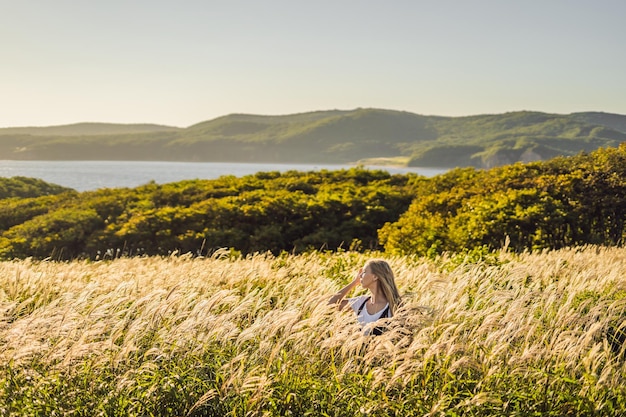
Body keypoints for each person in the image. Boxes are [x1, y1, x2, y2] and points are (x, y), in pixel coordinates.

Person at [328, 259, 402, 335]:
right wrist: (354, 282)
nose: (360, 275)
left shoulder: (394, 306)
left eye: (364, 272)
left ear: (375, 277)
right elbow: (331, 305)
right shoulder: (361, 302)